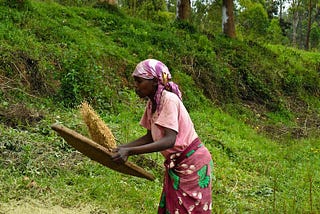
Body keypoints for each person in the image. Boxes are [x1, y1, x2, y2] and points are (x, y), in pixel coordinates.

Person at [112, 59, 214, 213]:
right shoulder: (153, 104)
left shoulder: (169, 100)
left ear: (154, 81)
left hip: (193, 164)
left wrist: (130, 152)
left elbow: (169, 140)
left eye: (139, 81)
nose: (136, 86)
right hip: (178, 164)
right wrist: (121, 148)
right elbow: (150, 137)